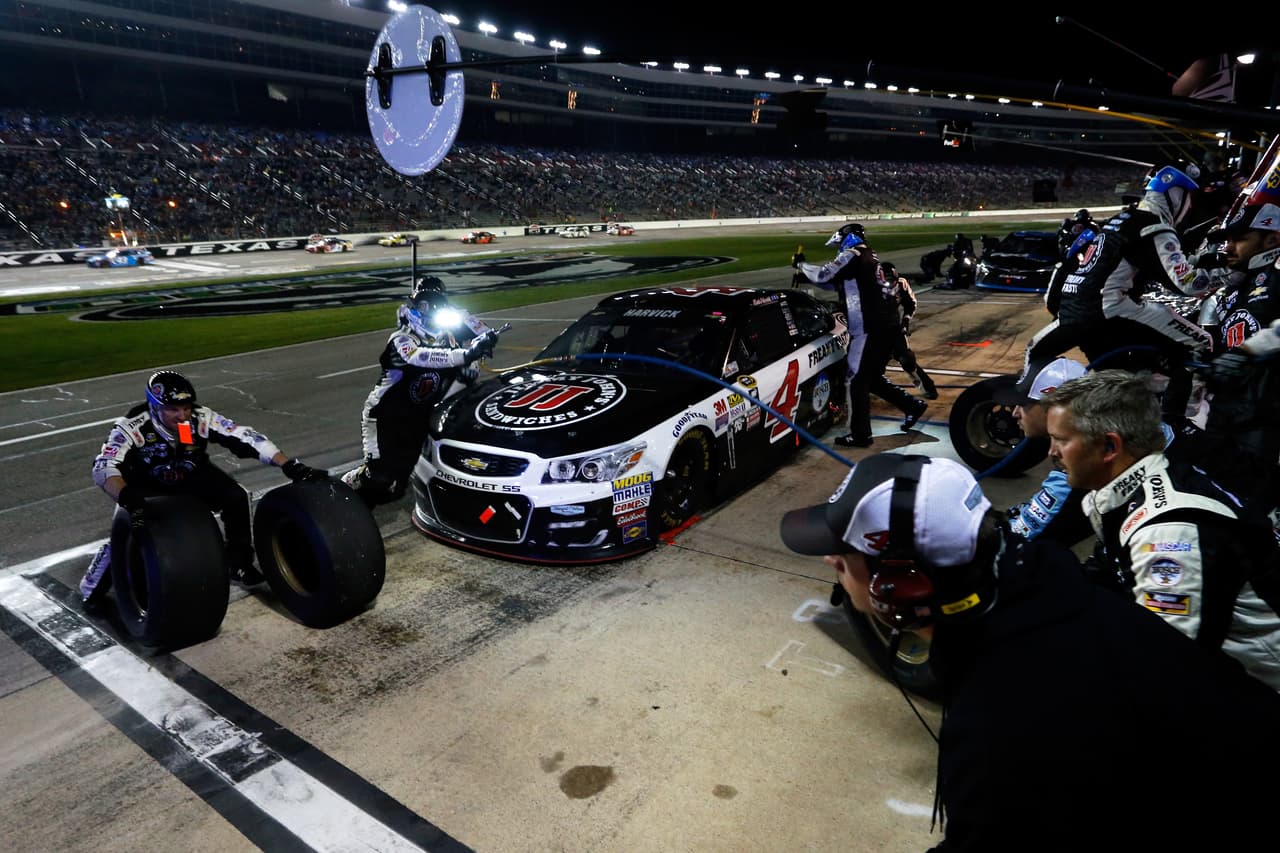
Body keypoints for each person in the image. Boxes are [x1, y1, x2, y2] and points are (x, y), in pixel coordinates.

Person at [779, 452, 1280, 850]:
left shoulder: (1002, 722)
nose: (829, 559)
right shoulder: (1044, 587)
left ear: (902, 586)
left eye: (844, 554)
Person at [1041, 369, 1280, 690]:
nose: (1051, 453)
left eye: (1061, 440)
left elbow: (1168, 668)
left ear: (1109, 447)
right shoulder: (1137, 486)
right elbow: (1104, 577)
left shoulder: (1168, 532)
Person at [81, 370, 327, 606]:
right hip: (143, 487)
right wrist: (129, 500)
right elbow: (103, 467)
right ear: (154, 407)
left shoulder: (199, 418)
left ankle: (238, 563)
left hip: (188, 474)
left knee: (236, 496)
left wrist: (289, 466)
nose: (182, 416)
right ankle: (91, 587)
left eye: (186, 408)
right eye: (173, 410)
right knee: (124, 537)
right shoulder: (131, 427)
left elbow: (246, 437)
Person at [1021, 165, 1233, 422]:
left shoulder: (1116, 222)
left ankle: (1032, 413)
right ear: (1176, 196)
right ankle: (1182, 423)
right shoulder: (1154, 227)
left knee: (1035, 350)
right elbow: (1185, 283)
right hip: (1112, 308)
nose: (1189, 208)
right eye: (1189, 200)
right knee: (1201, 343)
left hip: (1071, 314)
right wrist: (1228, 274)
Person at [342, 277, 499, 506]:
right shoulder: (401, 340)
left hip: (417, 419)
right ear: (415, 307)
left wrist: (481, 339)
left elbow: (483, 331)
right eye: (425, 304)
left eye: (436, 304)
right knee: (380, 478)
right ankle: (346, 486)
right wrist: (466, 354)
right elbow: (421, 357)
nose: (430, 310)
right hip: (386, 418)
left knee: (396, 489)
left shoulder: (448, 336)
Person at [794, 224, 928, 447]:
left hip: (868, 330)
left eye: (839, 244)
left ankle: (860, 435)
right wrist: (807, 276)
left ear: (848, 239)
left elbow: (824, 274)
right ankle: (912, 406)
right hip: (884, 329)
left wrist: (802, 265)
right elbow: (837, 283)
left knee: (856, 380)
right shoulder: (869, 258)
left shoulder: (853, 254)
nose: (838, 249)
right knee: (870, 378)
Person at [1202, 200, 1280, 470]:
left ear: (1271, 239)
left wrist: (1249, 351)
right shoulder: (1233, 286)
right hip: (1225, 408)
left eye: (1240, 239)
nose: (1228, 248)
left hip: (1267, 414)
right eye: (1227, 240)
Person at [994, 356, 1091, 545]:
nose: (1014, 413)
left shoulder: (1079, 465)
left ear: (1055, 407)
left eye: (1023, 404)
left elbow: (1013, 541)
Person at [881, 261, 937, 399]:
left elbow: (911, 303)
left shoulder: (901, 283)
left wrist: (905, 321)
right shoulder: (868, 286)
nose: (891, 285)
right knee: (873, 364)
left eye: (893, 281)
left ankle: (927, 386)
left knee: (907, 359)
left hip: (894, 327)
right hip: (873, 330)